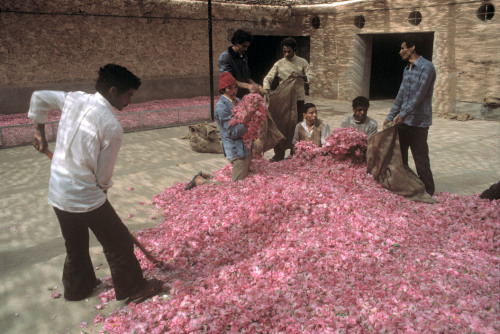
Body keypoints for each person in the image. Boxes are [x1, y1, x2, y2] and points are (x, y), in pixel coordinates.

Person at [29, 64, 162, 303]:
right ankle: (133, 288)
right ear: (113, 91)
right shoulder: (111, 126)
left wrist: (39, 131)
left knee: (75, 243)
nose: (129, 101)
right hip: (84, 194)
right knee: (118, 243)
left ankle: (78, 288)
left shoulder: (73, 99)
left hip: (58, 191)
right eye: (128, 94)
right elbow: (102, 178)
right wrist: (102, 196)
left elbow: (39, 97)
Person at [383, 35, 436, 196]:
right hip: (404, 122)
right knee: (401, 158)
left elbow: (419, 95)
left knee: (421, 159)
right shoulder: (408, 69)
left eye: (402, 48)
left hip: (419, 123)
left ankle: (428, 190)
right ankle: (408, 186)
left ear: (411, 48)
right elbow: (401, 95)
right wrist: (391, 115)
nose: (400, 52)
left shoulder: (427, 67)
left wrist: (403, 114)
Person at [214, 72, 256, 181]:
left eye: (235, 87)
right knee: (236, 184)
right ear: (223, 90)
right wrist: (249, 116)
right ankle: (200, 181)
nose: (234, 91)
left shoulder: (237, 101)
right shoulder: (221, 107)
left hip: (245, 147)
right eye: (229, 88)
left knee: (247, 177)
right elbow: (232, 132)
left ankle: (205, 177)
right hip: (236, 151)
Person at [263, 37, 313, 123]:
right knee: (284, 122)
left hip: (298, 98)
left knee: (298, 122)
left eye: (289, 51)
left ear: (294, 49)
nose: (286, 54)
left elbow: (312, 77)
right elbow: (268, 78)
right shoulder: (279, 63)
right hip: (284, 98)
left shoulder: (302, 62)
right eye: (284, 51)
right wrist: (266, 89)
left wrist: (301, 76)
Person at [218, 29, 262, 98]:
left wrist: (256, 85)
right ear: (236, 43)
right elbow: (228, 80)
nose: (246, 49)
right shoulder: (225, 57)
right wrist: (247, 86)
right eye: (244, 46)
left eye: (247, 46)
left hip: (242, 94)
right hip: (230, 95)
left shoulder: (244, 57)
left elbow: (247, 77)